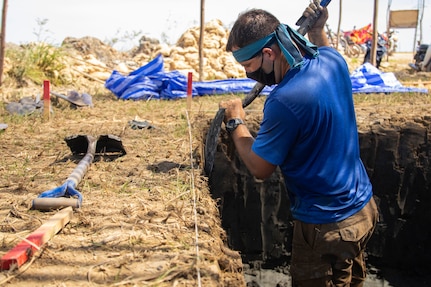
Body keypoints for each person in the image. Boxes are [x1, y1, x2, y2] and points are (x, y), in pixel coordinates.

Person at [219, 1, 379, 286]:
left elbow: (260, 167)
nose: (247, 74)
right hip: (362, 210)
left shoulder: (285, 100)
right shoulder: (333, 62)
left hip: (326, 225)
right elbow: (323, 49)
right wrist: (318, 30)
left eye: (248, 65)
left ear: (269, 53)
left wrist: (235, 123)